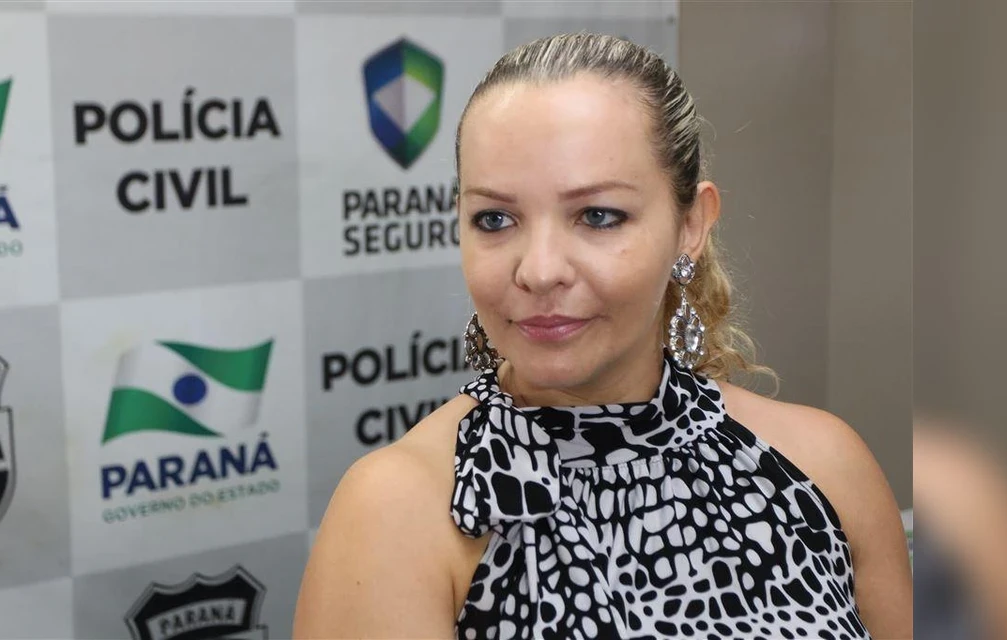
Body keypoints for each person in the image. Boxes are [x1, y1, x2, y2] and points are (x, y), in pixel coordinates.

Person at [294, 33, 912, 639]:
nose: (539, 271)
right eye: (495, 219)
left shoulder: (826, 466)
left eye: (597, 216)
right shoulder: (396, 512)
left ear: (691, 225)